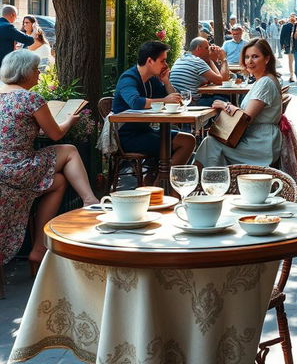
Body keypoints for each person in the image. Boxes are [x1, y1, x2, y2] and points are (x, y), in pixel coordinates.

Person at [0, 49, 98, 270]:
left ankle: (38, 250)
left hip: (2, 170)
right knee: (70, 149)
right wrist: (71, 120)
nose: (38, 74)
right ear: (24, 72)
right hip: (19, 169)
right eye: (36, 69)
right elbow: (55, 134)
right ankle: (90, 200)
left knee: (59, 182)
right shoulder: (30, 98)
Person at [194, 38, 282, 166]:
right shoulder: (263, 80)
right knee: (211, 142)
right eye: (246, 57)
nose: (249, 61)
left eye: (255, 56)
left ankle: (206, 180)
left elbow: (246, 118)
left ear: (267, 59)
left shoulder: (265, 82)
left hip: (260, 143)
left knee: (211, 143)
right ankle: (210, 179)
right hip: (256, 138)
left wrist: (225, 105)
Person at [112, 41, 195, 169]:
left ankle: (157, 181)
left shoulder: (152, 80)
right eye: (162, 61)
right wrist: (165, 100)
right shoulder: (128, 78)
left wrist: (166, 82)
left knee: (188, 140)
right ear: (150, 61)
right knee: (184, 142)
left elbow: (175, 100)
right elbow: (136, 102)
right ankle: (162, 184)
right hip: (127, 137)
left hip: (146, 131)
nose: (166, 65)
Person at [170, 37, 229, 106]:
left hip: (179, 100)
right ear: (198, 48)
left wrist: (209, 59)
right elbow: (222, 81)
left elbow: (202, 80)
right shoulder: (197, 61)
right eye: (207, 48)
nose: (209, 51)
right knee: (223, 99)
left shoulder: (180, 59)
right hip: (190, 102)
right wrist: (223, 59)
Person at [280, 14, 296, 82]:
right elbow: (282, 36)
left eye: (294, 16)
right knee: (290, 61)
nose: (292, 17)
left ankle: (295, 74)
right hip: (289, 46)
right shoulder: (285, 26)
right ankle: (291, 75)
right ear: (289, 18)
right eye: (291, 16)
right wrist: (282, 45)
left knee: (296, 61)